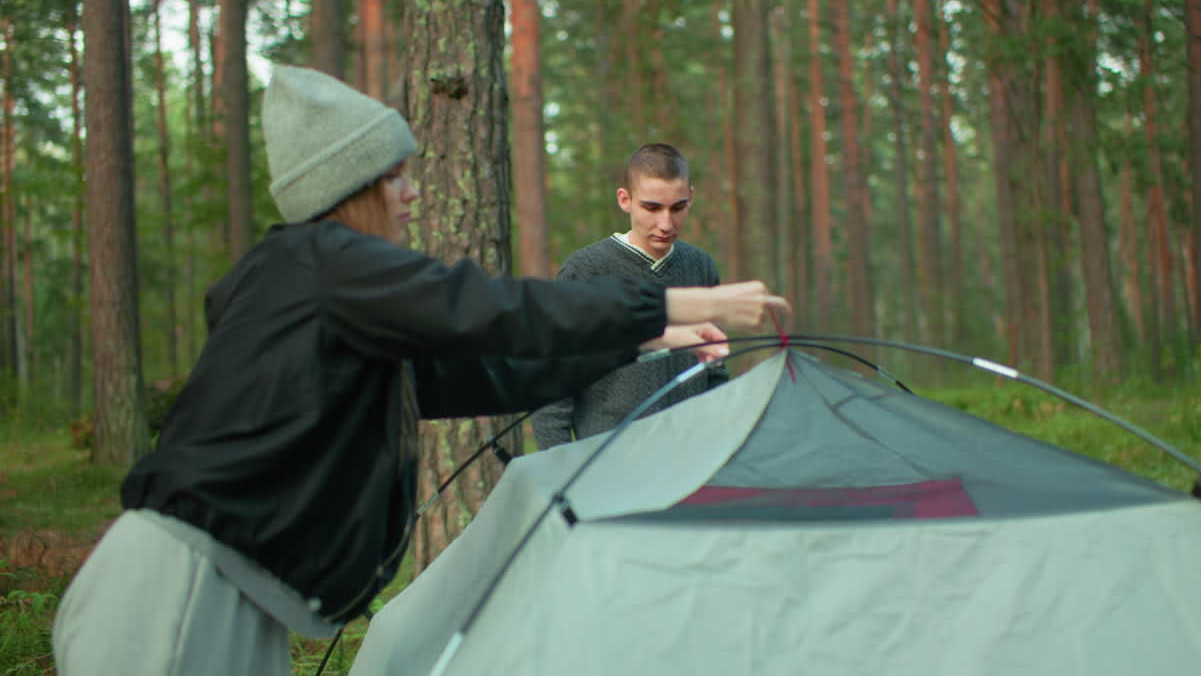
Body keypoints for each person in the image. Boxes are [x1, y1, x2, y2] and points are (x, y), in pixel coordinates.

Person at [51, 66, 788, 676]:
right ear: (352, 185)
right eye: (395, 176)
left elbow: (476, 377)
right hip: (176, 596)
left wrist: (645, 341)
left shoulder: (325, 294)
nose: (412, 192)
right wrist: (672, 299)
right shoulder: (317, 264)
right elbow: (489, 307)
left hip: (231, 596)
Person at [531, 143, 729, 450]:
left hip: (691, 460)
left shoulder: (700, 268)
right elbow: (553, 389)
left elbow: (714, 371)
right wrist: (557, 470)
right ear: (626, 200)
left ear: (691, 197)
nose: (666, 224)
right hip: (609, 464)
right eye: (652, 208)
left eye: (678, 208)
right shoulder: (585, 271)